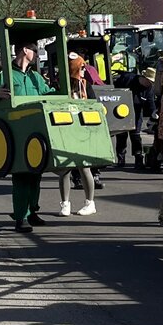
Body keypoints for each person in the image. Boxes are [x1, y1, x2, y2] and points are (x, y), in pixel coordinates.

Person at [0, 42, 56, 233]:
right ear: (25, 51)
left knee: (36, 174)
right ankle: (21, 217)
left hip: (35, 130)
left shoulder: (36, 77)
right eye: (35, 51)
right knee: (21, 177)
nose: (37, 55)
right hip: (16, 131)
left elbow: (48, 94)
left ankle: (32, 211)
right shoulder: (4, 74)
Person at [59, 54, 98, 216]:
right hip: (66, 128)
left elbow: (94, 104)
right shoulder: (62, 85)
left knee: (85, 166)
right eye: (81, 67)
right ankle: (65, 203)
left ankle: (90, 202)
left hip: (83, 130)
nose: (84, 70)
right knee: (64, 168)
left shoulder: (86, 85)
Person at [113, 66, 158, 169]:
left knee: (136, 136)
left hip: (136, 113)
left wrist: (154, 114)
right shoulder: (127, 79)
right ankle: (121, 159)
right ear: (144, 78)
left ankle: (138, 159)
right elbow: (115, 91)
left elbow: (150, 103)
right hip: (121, 111)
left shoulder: (149, 89)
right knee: (121, 136)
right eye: (150, 81)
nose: (151, 84)